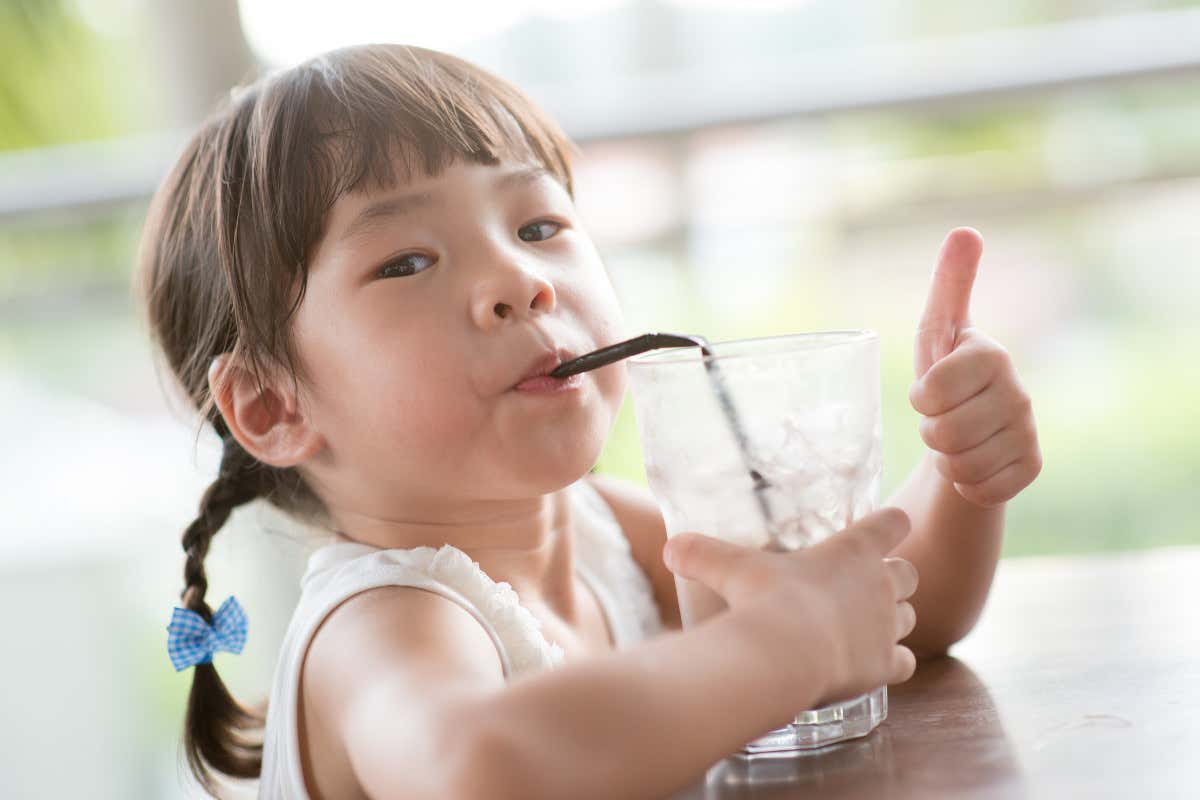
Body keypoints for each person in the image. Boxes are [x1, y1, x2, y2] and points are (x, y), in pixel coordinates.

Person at [140, 43, 1042, 800]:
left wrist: (957, 474)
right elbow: (483, 763)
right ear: (273, 406)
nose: (520, 282)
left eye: (537, 227)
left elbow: (881, 617)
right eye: (409, 260)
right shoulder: (378, 623)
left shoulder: (610, 533)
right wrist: (782, 647)